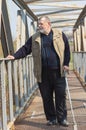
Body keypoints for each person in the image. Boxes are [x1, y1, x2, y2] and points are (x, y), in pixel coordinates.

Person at [7, 16, 70, 127]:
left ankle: (62, 119)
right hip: (42, 73)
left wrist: (66, 64)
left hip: (58, 72)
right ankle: (51, 119)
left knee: (61, 96)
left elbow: (67, 50)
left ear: (48, 24)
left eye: (41, 24)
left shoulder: (60, 35)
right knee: (46, 97)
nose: (39, 26)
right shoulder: (35, 37)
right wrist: (14, 56)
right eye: (38, 24)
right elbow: (25, 49)